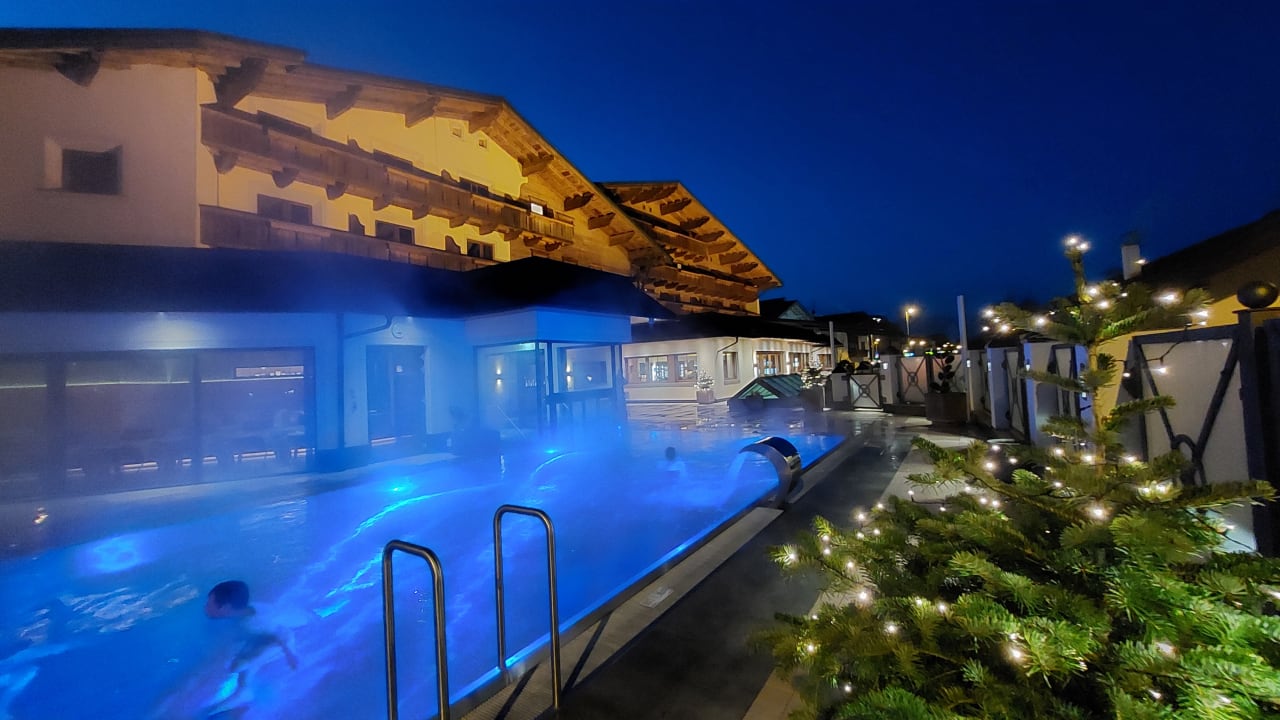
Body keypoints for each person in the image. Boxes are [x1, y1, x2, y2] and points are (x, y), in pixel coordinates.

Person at [200, 580, 298, 718]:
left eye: (209, 604)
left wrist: (289, 655)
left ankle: (243, 696)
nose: (205, 607)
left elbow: (275, 637)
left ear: (225, 608)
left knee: (238, 666)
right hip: (264, 638)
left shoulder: (254, 622)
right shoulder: (246, 612)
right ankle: (242, 694)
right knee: (237, 665)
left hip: (276, 643)